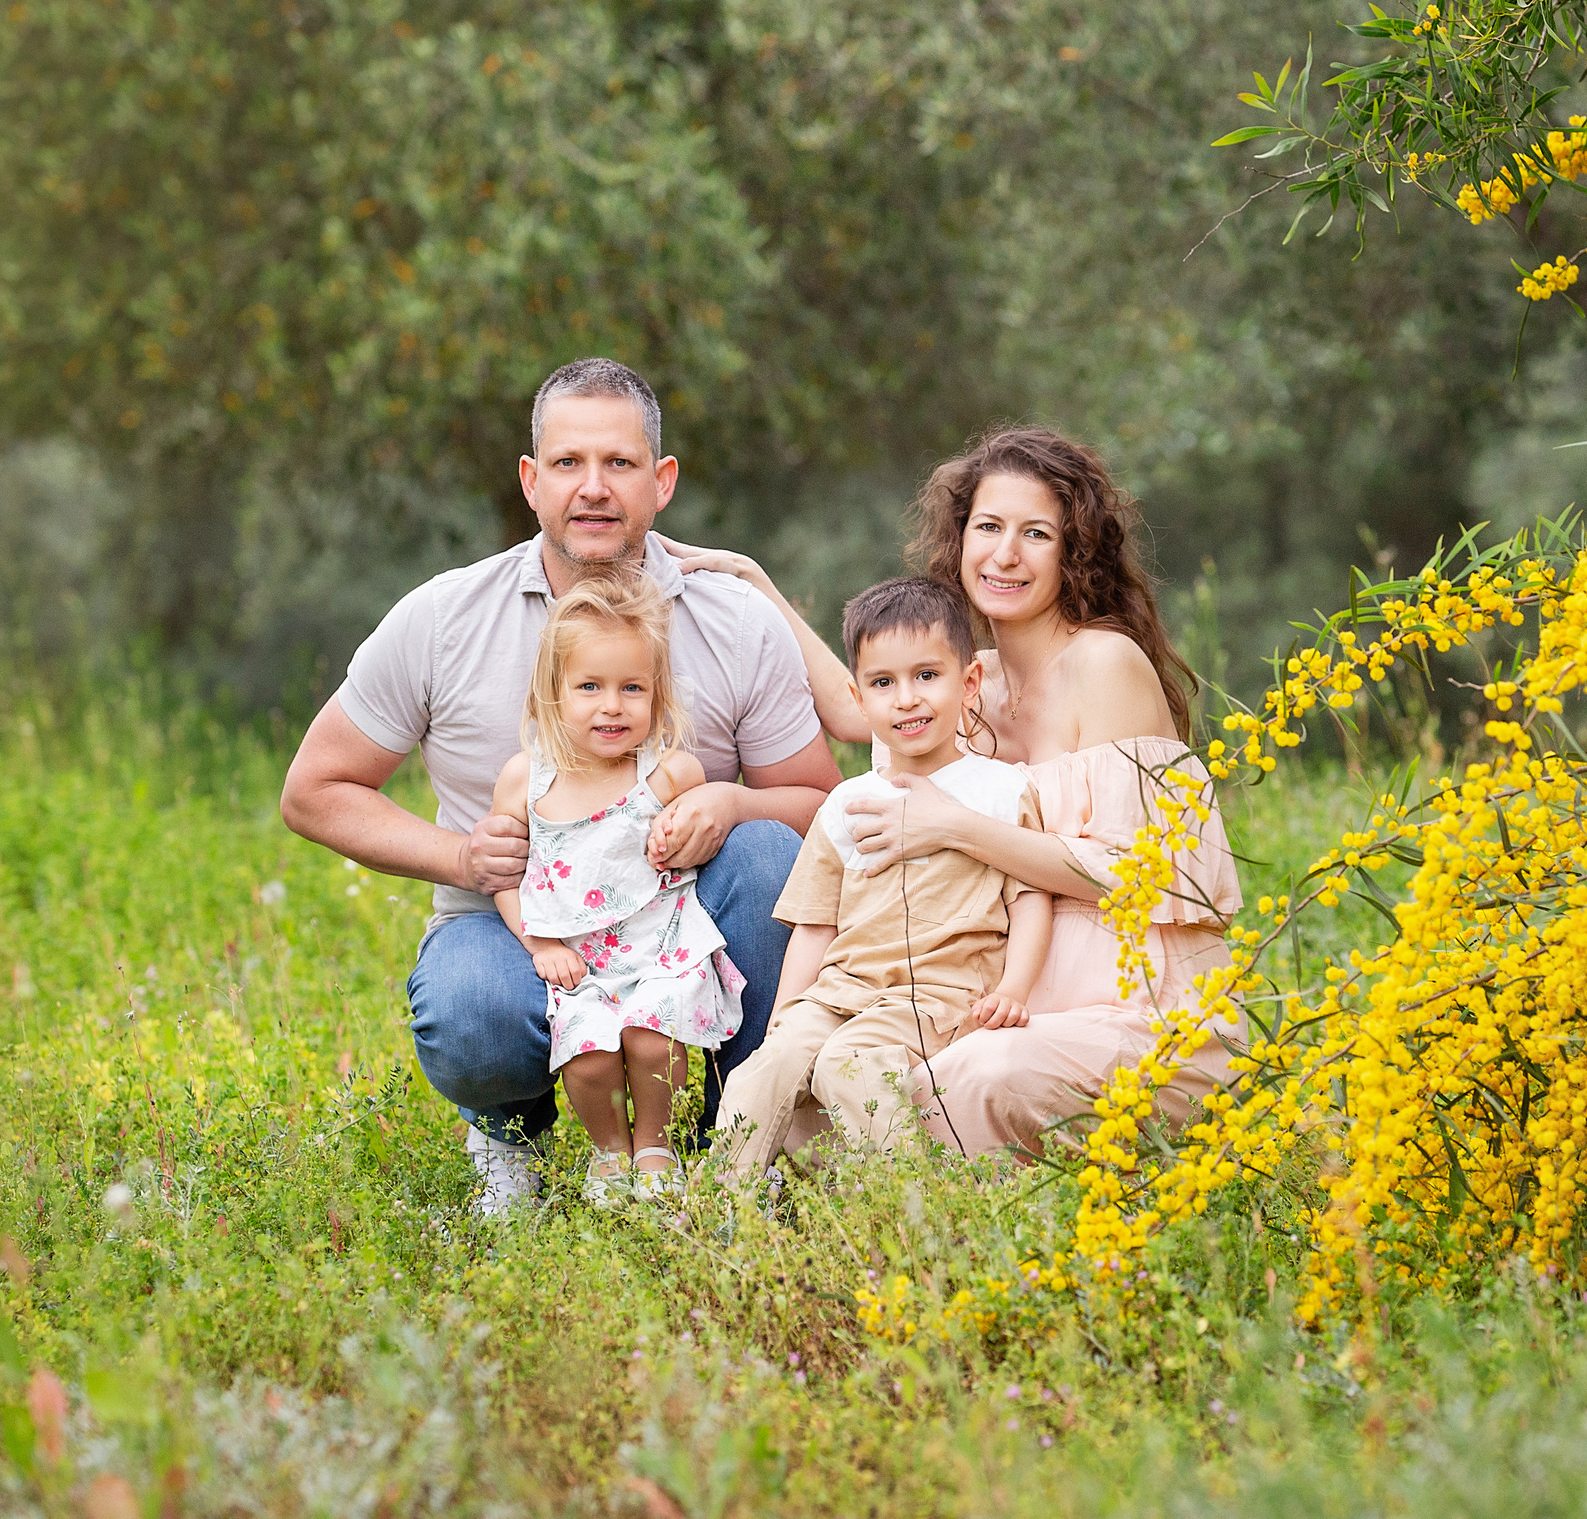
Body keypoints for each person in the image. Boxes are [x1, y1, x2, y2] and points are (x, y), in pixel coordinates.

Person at [280, 358, 841, 1214]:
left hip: (679, 923)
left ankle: (730, 1137)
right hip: (519, 929)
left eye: (619, 464)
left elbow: (818, 802)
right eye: (569, 464)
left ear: (663, 482)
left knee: (769, 854)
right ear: (531, 482)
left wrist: (733, 802)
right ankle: (510, 1133)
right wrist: (464, 855)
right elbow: (315, 788)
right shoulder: (444, 616)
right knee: (468, 1007)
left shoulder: (734, 619)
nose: (593, 488)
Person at [668, 424, 1241, 1158]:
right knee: (821, 1096)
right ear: (960, 538)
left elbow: (1161, 876)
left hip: (1133, 998)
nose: (1006, 553)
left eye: (1036, 532)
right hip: (988, 994)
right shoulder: (970, 687)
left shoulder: (1106, 664)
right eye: (989, 527)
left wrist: (956, 826)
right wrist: (756, 585)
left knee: (960, 1082)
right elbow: (856, 702)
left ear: (1074, 551)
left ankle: (954, 1242)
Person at [711, 577, 1050, 1178]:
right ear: (858, 696)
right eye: (883, 683)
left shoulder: (1001, 791)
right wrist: (787, 1012)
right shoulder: (845, 804)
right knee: (765, 1066)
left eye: (927, 676)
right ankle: (724, 1209)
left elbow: (1029, 900)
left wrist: (1015, 989)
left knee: (848, 1066)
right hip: (841, 989)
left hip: (937, 992)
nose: (907, 700)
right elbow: (815, 926)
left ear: (969, 683)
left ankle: (913, 1210)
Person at [491, 577, 743, 1204]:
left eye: (632, 688)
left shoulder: (668, 773)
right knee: (589, 1054)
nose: (613, 706)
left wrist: (677, 828)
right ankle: (609, 1151)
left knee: (653, 1039)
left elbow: (698, 832)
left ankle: (655, 1145)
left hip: (659, 947)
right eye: (590, 687)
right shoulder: (527, 780)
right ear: (553, 693)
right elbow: (506, 873)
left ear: (657, 697)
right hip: (580, 962)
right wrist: (537, 940)